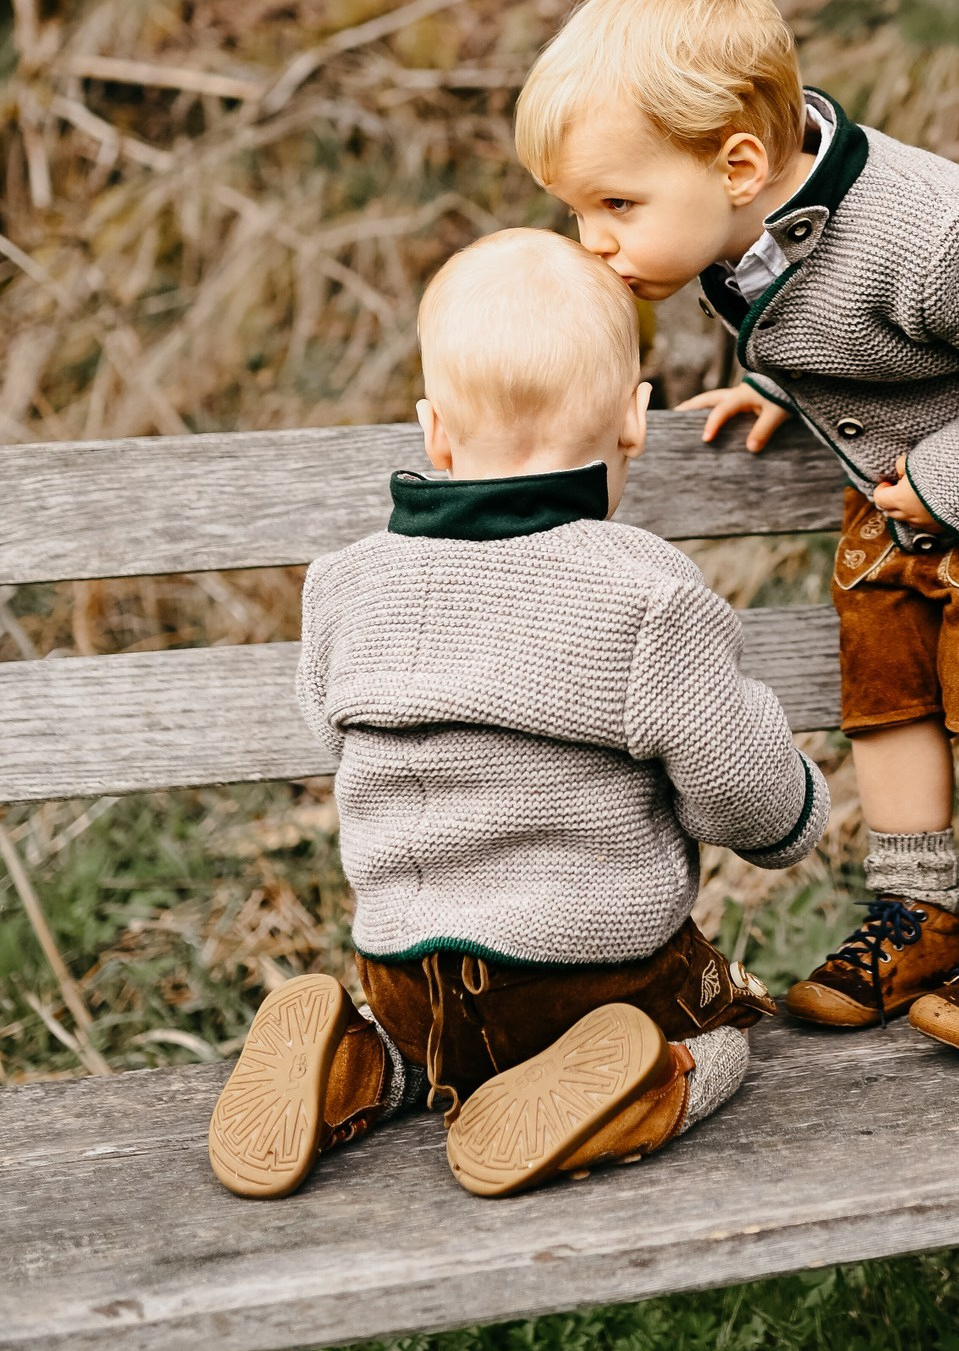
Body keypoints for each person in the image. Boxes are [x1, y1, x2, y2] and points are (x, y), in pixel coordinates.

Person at [514, 0, 959, 1058]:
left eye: (616, 206)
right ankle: (919, 914)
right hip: (905, 501)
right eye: (580, 210)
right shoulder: (743, 214)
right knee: (886, 689)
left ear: (739, 164)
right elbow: (827, 313)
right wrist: (781, 383)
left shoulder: (932, 234)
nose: (594, 240)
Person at [207, 228, 827, 1200]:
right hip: (583, 979)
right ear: (632, 421)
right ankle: (633, 1083)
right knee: (723, 1032)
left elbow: (327, 730)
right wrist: (797, 807)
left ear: (435, 430)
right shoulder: (644, 593)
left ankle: (362, 1065)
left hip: (405, 978)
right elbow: (746, 798)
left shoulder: (346, 583)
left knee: (437, 1047)